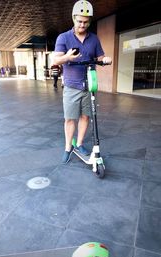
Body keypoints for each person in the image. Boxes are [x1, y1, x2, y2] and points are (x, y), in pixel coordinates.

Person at [52, 0, 112, 163]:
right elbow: (56, 60)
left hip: (89, 85)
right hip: (71, 86)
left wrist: (105, 59)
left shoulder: (94, 39)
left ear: (89, 21)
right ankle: (67, 148)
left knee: (85, 117)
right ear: (73, 19)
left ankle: (78, 144)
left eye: (86, 22)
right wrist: (67, 57)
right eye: (79, 21)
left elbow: (100, 57)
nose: (82, 25)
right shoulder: (63, 37)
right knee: (70, 119)